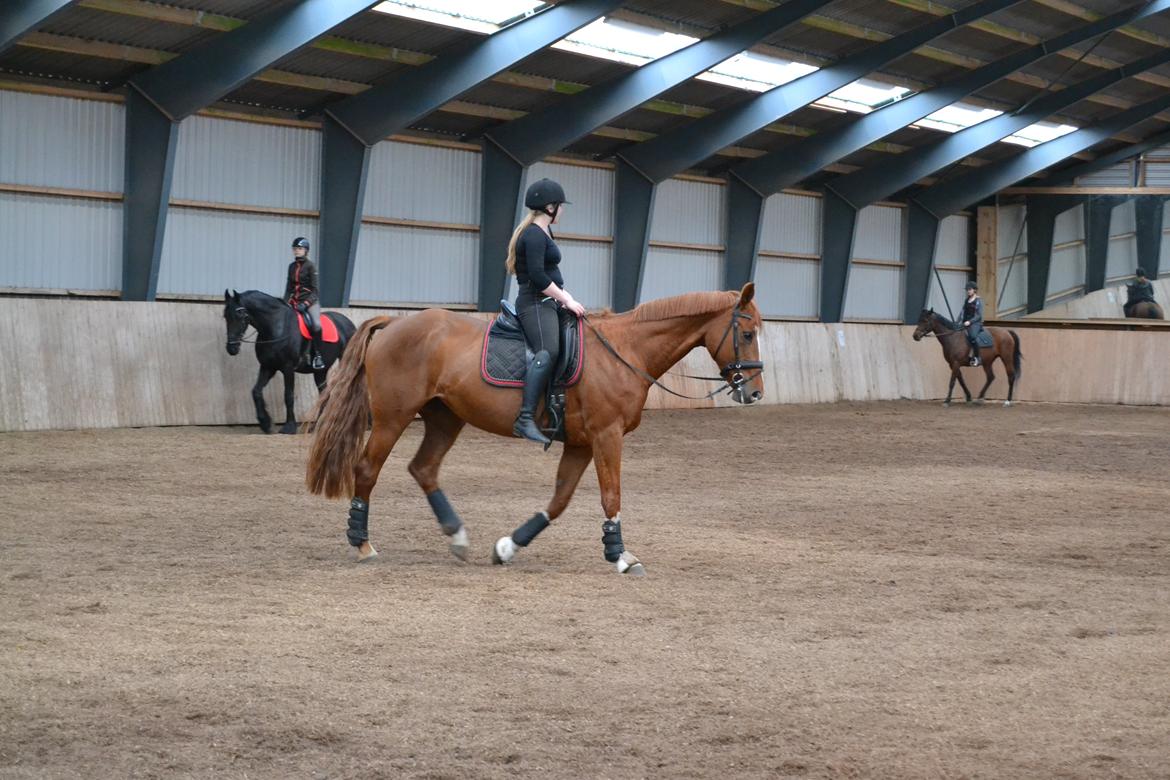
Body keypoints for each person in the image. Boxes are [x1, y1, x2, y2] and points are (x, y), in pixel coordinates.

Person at [505, 178, 586, 445]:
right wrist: (567, 299)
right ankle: (525, 417)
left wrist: (566, 299)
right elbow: (539, 276)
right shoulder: (533, 234)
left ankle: (558, 403)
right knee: (548, 350)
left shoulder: (543, 232)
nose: (562, 211)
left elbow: (550, 274)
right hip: (533, 303)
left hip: (548, 302)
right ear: (550, 207)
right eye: (560, 206)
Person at [284, 237, 325, 370]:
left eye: (300, 249)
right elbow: (288, 288)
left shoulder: (311, 266)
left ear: (306, 250)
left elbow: (315, 290)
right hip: (294, 302)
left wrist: (306, 303)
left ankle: (317, 355)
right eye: (295, 249)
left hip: (310, 302)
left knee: (316, 325)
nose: (296, 251)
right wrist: (284, 303)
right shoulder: (291, 266)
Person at [960, 280, 984, 367]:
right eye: (967, 289)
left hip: (975, 323)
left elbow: (979, 315)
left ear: (974, 290)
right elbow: (962, 312)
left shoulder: (978, 301)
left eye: (969, 289)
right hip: (965, 322)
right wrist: (958, 321)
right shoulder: (967, 300)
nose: (968, 291)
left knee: (973, 336)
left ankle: (977, 357)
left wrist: (969, 322)